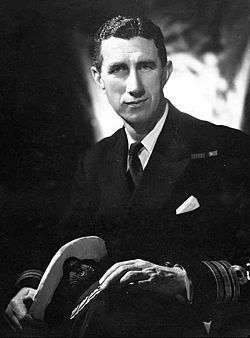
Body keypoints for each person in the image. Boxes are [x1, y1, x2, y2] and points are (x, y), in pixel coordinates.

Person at [4, 15, 250, 337]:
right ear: (98, 78)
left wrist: (184, 279)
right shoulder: (95, 161)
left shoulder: (229, 149)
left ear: (166, 71)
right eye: (118, 69)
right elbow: (62, 243)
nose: (134, 86)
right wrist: (33, 286)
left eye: (146, 67)